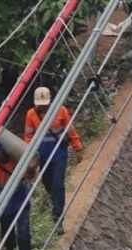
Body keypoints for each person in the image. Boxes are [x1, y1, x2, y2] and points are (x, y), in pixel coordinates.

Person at [24, 86, 82, 233]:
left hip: (59, 154)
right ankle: (56, 200)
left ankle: (58, 219)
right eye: (40, 104)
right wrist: (30, 156)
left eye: (45, 104)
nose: (43, 107)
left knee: (57, 185)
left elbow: (70, 130)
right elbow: (28, 137)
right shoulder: (31, 114)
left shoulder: (61, 111)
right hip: (43, 156)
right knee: (48, 183)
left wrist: (77, 147)